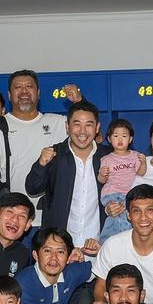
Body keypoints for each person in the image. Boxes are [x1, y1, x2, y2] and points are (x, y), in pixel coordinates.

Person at [0, 70, 81, 219]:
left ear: (38, 92)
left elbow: (93, 139)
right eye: (18, 87)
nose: (24, 91)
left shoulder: (58, 122)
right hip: (14, 221)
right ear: (9, 94)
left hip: (54, 217)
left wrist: (79, 103)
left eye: (29, 86)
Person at [24, 100, 106, 252]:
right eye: (76, 124)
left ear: (97, 128)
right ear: (67, 127)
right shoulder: (54, 154)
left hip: (99, 246)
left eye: (88, 124)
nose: (82, 131)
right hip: (60, 248)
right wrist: (41, 165)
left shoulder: (108, 157)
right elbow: (32, 188)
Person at [97, 119, 148, 242]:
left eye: (124, 136)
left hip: (129, 195)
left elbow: (141, 174)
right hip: (112, 194)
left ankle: (111, 240)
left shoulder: (135, 156)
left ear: (130, 139)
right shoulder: (106, 159)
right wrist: (102, 174)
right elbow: (102, 180)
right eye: (116, 136)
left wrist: (143, 163)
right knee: (120, 216)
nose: (120, 139)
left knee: (124, 217)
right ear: (109, 139)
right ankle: (112, 241)